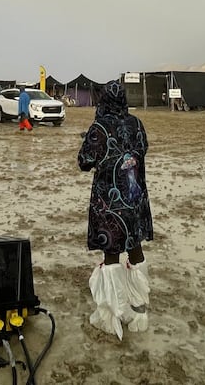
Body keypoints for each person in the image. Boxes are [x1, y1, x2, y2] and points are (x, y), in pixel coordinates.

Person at [78, 80, 153, 339]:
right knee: (135, 248)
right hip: (135, 199)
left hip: (109, 204)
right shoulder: (136, 124)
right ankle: (139, 309)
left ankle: (112, 316)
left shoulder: (99, 127)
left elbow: (84, 161)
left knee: (112, 254)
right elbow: (142, 150)